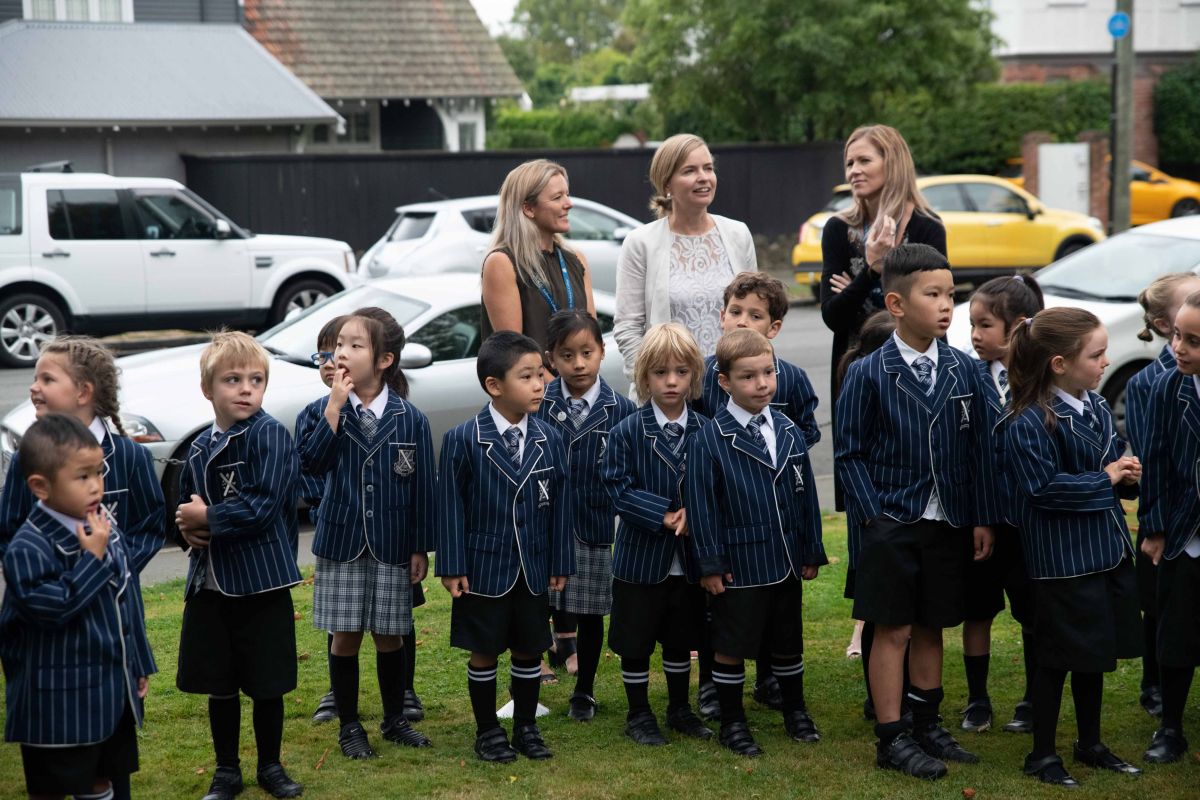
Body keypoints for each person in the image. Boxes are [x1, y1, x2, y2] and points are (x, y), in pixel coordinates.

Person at [835, 244, 994, 780]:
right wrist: (874, 518)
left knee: (932, 624)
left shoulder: (965, 370)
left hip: (948, 519)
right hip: (891, 522)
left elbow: (981, 451)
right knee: (893, 629)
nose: (948, 304)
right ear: (897, 303)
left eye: (952, 293)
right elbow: (849, 453)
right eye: (934, 294)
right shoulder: (868, 372)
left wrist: (980, 516)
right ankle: (892, 735)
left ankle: (928, 725)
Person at [0, 337, 164, 800]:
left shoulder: (124, 463)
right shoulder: (31, 519)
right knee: (60, 775)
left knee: (109, 774)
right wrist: (88, 561)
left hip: (109, 675)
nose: (34, 388)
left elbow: (133, 570)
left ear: (85, 391)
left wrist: (139, 660)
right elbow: (13, 535)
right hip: (57, 682)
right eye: (33, 378)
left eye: (47, 378)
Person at [1002, 307, 1143, 787]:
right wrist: (1105, 478)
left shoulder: (1096, 405)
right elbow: (1040, 489)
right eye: (1097, 354)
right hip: (1062, 563)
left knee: (1094, 655)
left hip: (1105, 552)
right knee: (1055, 660)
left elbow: (1110, 458)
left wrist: (1125, 475)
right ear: (1059, 363)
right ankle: (1041, 754)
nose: (1106, 362)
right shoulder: (1028, 421)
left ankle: (1090, 743)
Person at [298, 309, 435, 759]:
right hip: (342, 541)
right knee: (345, 636)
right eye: (339, 344)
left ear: (383, 360)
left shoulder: (410, 418)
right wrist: (335, 407)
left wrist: (420, 546)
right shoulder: (321, 411)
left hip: (394, 542)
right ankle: (350, 725)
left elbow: (421, 487)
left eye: (355, 345)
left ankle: (395, 718)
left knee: (391, 633)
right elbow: (311, 466)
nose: (342, 352)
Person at [174, 331, 304, 800]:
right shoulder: (199, 446)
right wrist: (188, 529)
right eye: (232, 380)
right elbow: (187, 506)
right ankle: (226, 771)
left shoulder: (271, 435)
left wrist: (208, 516)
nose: (246, 389)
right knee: (220, 682)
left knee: (267, 682)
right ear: (208, 390)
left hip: (262, 583)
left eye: (256, 379)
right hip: (210, 585)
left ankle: (271, 765)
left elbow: (264, 505)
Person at [436, 331, 575, 763]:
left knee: (530, 647)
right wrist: (452, 564)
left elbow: (561, 505)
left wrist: (560, 561)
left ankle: (527, 727)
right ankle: (487, 731)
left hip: (533, 564)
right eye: (527, 377)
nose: (540, 384)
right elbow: (449, 507)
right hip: (482, 567)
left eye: (541, 375)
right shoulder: (463, 439)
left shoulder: (551, 438)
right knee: (484, 650)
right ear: (494, 386)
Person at [687, 328, 827, 757]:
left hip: (785, 558)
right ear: (724, 382)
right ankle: (733, 722)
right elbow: (702, 507)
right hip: (739, 564)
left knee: (788, 640)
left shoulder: (787, 429)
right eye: (748, 377)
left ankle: (796, 711)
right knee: (731, 645)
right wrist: (709, 564)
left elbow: (806, 496)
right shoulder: (709, 438)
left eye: (769, 372)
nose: (762, 384)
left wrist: (810, 549)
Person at [602, 322, 713, 746]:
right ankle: (639, 713)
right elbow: (616, 485)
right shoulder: (626, 431)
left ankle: (680, 708)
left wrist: (696, 516)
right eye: (661, 372)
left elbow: (715, 488)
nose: (671, 381)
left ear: (693, 376)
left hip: (688, 560)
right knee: (636, 639)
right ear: (644, 376)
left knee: (682, 638)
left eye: (681, 372)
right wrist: (663, 515)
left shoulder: (707, 430)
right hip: (641, 557)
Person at [534, 309, 637, 722]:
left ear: (601, 351)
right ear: (551, 359)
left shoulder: (622, 410)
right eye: (567, 355)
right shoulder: (538, 405)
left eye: (587, 352)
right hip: (543, 526)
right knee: (535, 604)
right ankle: (526, 677)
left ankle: (585, 689)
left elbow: (630, 472)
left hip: (594, 527)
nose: (578, 364)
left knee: (591, 611)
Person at [960, 276, 1044, 735]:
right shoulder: (970, 376)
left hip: (1028, 523)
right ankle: (977, 699)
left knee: (1032, 611)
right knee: (978, 610)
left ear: (1017, 327)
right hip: (983, 521)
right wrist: (980, 517)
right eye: (971, 324)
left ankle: (1032, 699)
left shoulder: (1038, 382)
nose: (975, 335)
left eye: (985, 325)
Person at [613, 133, 757, 382]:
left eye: (708, 168)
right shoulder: (641, 243)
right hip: (670, 395)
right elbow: (628, 327)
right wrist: (653, 384)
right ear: (667, 184)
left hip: (731, 390)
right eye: (690, 170)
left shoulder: (738, 234)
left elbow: (755, 314)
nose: (703, 177)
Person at [820, 124, 946, 400]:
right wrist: (872, 270)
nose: (854, 170)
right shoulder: (838, 229)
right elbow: (834, 316)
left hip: (917, 373)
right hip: (856, 373)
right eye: (849, 163)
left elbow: (934, 310)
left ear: (893, 164)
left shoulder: (928, 228)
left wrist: (854, 289)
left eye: (864, 160)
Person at [1124, 272, 1200, 720]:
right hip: (1181, 530)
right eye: (1177, 336)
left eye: (1193, 340)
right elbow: (1155, 462)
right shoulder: (1164, 388)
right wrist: (1153, 528)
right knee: (1174, 629)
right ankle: (1170, 725)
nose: (1180, 348)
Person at [833, 310, 896, 712]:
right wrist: (874, 515)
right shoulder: (864, 388)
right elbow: (850, 456)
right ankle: (878, 697)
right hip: (875, 519)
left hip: (889, 518)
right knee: (877, 611)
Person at [481, 159, 596, 350]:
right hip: (533, 379)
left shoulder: (576, 260)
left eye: (567, 194)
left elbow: (591, 339)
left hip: (578, 378)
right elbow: (515, 352)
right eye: (557, 197)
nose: (569, 204)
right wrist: (558, 381)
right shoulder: (502, 263)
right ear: (528, 208)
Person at [298, 315, 344, 725]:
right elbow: (309, 471)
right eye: (323, 355)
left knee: (396, 618)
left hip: (384, 534)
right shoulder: (313, 413)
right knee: (337, 619)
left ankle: (404, 691)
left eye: (338, 353)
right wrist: (321, 509)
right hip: (335, 529)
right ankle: (336, 692)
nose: (329, 363)